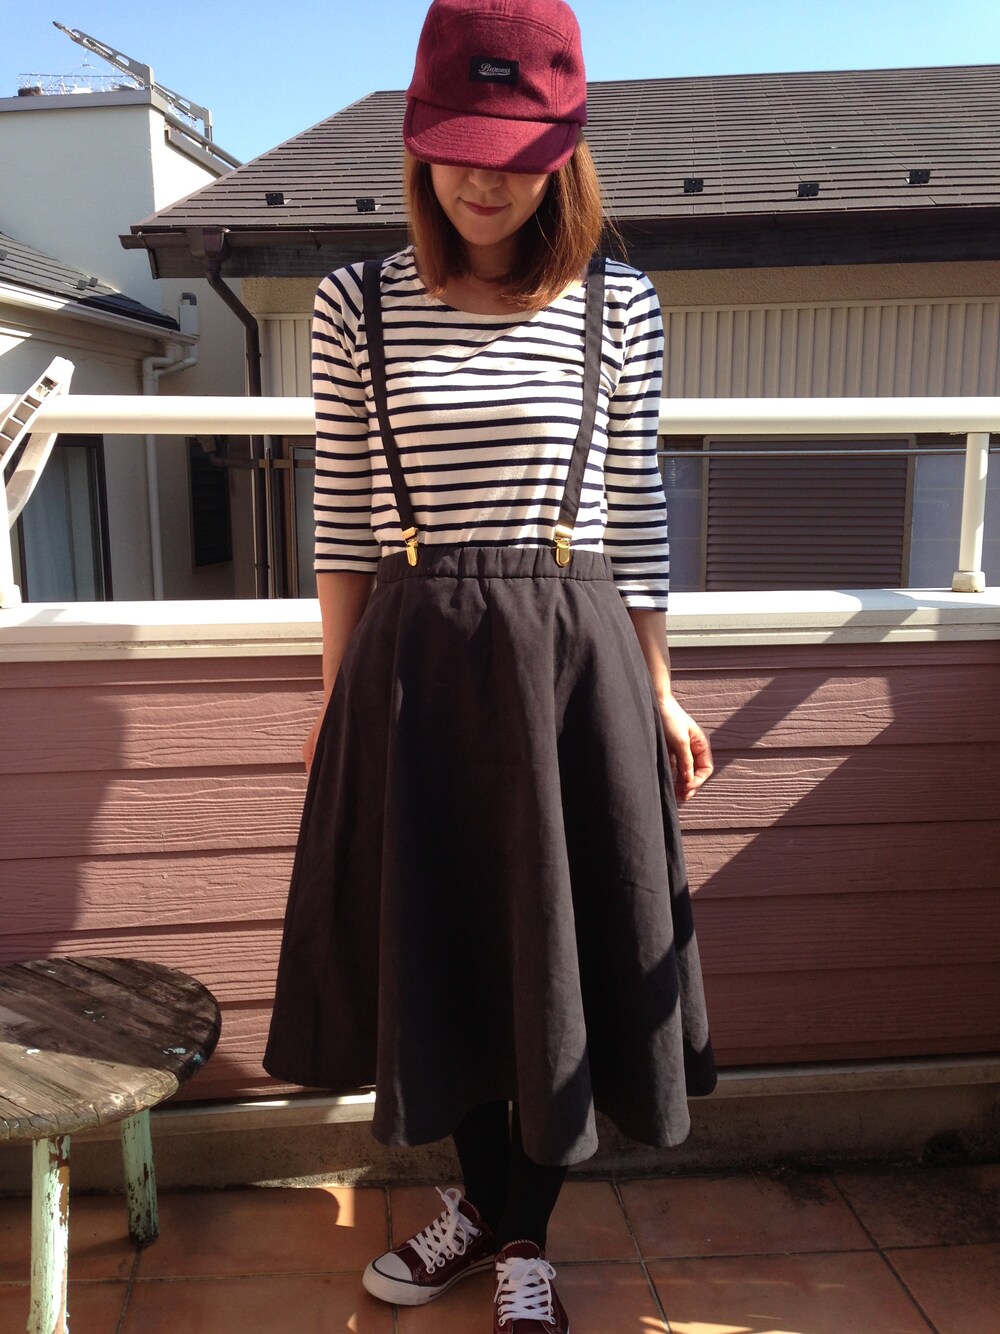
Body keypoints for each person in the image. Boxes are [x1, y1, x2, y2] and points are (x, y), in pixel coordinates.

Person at [264, 0, 717, 1329]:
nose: (482, 178)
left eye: (514, 153)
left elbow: (636, 515)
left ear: (564, 151)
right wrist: (336, 698)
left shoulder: (619, 304)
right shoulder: (354, 304)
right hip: (413, 674)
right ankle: (477, 1202)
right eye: (458, 145)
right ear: (419, 140)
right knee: (447, 940)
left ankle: (525, 1236)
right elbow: (342, 520)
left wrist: (662, 684)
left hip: (572, 667)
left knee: (562, 947)